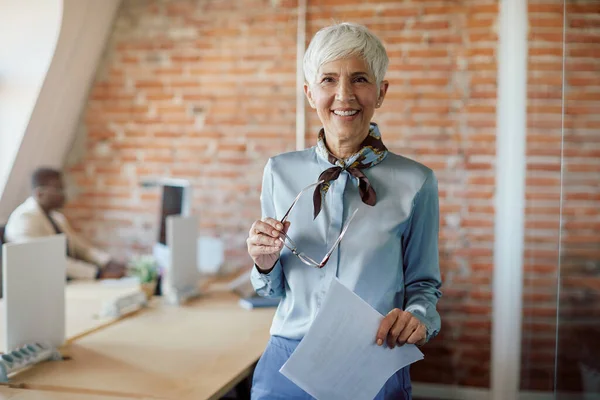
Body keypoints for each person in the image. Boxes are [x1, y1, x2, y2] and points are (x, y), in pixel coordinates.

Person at [246, 23, 442, 399]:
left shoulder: (417, 182)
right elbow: (271, 288)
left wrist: (417, 318)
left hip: (372, 363)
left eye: (360, 79)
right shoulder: (279, 172)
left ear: (381, 92)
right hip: (287, 363)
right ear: (309, 93)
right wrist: (263, 262)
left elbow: (424, 286)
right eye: (328, 80)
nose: (343, 95)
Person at [5, 168, 126, 280]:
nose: (64, 194)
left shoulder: (56, 218)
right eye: (59, 189)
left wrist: (107, 261)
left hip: (60, 281)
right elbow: (48, 261)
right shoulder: (24, 220)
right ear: (39, 194)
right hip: (38, 284)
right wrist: (97, 274)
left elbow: (81, 248)